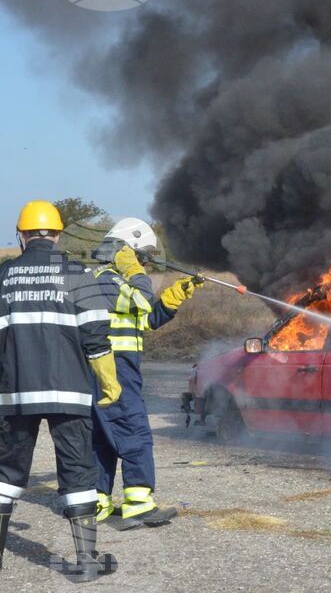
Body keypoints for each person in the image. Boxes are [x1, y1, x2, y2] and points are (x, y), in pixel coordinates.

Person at [0, 201, 121, 581]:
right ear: (56, 234)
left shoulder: (3, 275)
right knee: (77, 471)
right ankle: (86, 562)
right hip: (69, 394)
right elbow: (97, 337)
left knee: (7, 469)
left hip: (18, 395)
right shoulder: (77, 273)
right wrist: (108, 383)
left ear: (21, 235)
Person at [89, 218, 202, 529]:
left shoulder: (113, 281)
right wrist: (136, 273)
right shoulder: (106, 280)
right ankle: (139, 504)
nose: (144, 262)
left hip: (111, 370)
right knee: (135, 433)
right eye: (141, 255)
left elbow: (145, 319)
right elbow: (139, 301)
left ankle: (97, 502)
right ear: (125, 250)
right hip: (115, 372)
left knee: (103, 438)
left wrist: (174, 296)